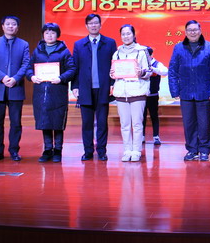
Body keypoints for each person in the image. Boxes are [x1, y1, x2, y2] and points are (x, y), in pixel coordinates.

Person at [168, 20, 210, 161]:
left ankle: (204, 150)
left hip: (204, 92)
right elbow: (172, 70)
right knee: (188, 123)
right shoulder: (179, 48)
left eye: (195, 30)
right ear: (185, 32)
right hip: (186, 92)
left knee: (204, 123)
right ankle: (191, 150)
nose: (193, 32)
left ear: (200, 31)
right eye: (190, 30)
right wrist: (175, 91)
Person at [26, 23, 76, 163]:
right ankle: (47, 149)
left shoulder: (64, 51)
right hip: (41, 92)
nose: (49, 35)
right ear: (43, 35)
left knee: (57, 121)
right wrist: (31, 76)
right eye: (47, 33)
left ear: (57, 35)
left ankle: (58, 150)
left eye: (53, 33)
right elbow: (28, 68)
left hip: (57, 91)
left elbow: (72, 69)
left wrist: (61, 78)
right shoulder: (37, 51)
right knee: (45, 121)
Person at [72, 14, 117, 161]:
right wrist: (75, 86)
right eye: (90, 23)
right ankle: (88, 151)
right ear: (86, 26)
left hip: (103, 88)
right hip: (85, 89)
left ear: (100, 25)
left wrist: (113, 84)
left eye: (96, 23)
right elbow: (75, 67)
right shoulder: (79, 44)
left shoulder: (110, 43)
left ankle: (102, 151)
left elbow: (115, 65)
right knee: (87, 123)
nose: (93, 25)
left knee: (102, 122)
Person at [0, 15, 30, 162]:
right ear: (2, 26)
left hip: (16, 88)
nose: (11, 26)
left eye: (14, 24)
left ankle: (14, 151)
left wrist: (15, 78)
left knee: (16, 122)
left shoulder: (24, 44)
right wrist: (3, 77)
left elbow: (26, 64)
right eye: (8, 24)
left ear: (18, 27)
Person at [111, 24, 152, 162]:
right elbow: (114, 72)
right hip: (121, 92)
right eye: (123, 34)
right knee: (125, 124)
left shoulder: (142, 51)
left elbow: (149, 71)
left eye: (128, 33)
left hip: (137, 91)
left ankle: (136, 150)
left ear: (134, 35)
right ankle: (127, 150)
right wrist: (112, 73)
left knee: (137, 123)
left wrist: (142, 72)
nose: (126, 36)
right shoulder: (117, 53)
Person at [143, 47, 168, 145]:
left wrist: (153, 69)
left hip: (153, 95)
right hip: (142, 95)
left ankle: (156, 136)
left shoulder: (157, 64)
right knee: (141, 117)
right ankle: (141, 136)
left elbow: (165, 71)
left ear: (151, 55)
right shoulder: (140, 64)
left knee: (154, 116)